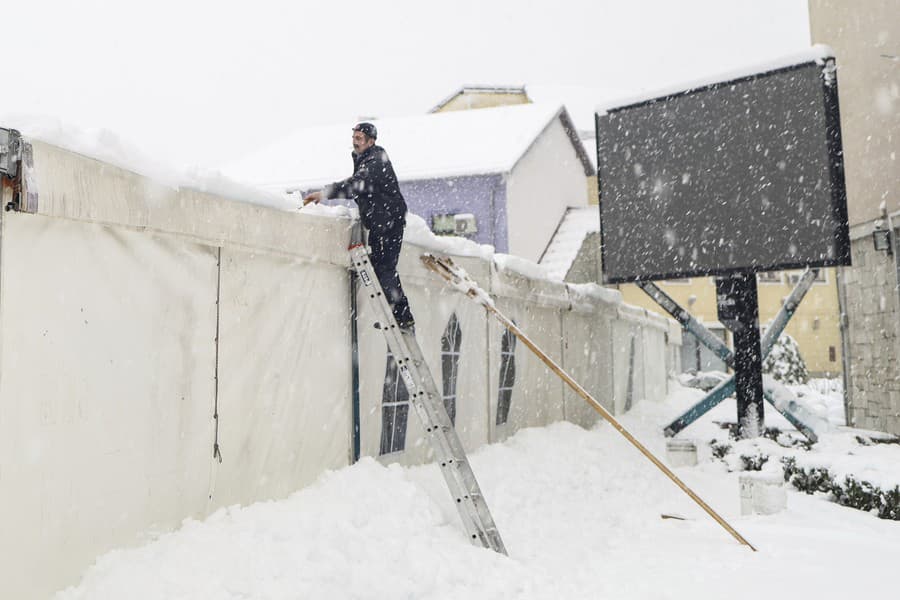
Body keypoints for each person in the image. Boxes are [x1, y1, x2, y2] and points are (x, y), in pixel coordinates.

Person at [304, 122, 415, 331]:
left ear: (371, 141)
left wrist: (325, 193)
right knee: (380, 266)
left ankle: (401, 315)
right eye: (354, 138)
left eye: (359, 139)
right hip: (381, 222)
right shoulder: (368, 159)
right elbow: (357, 183)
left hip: (388, 223)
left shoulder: (374, 162)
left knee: (385, 268)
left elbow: (356, 185)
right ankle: (398, 314)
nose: (355, 142)